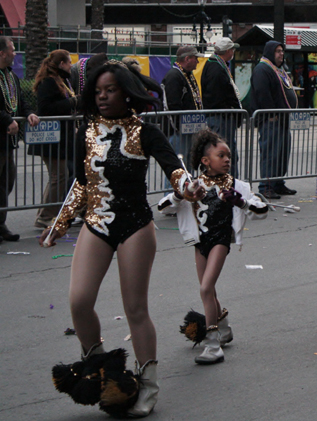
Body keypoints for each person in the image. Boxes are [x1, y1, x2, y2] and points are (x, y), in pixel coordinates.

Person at [42, 60, 202, 417]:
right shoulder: (88, 131)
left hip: (135, 228)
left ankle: (148, 384)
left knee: (135, 309)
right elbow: (82, 183)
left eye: (110, 90)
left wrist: (188, 187)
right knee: (79, 301)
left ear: (126, 92)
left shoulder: (145, 132)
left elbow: (174, 169)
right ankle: (101, 371)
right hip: (96, 225)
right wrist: (61, 221)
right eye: (97, 91)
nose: (102, 97)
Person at [160, 130, 268, 365]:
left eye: (228, 155)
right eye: (221, 155)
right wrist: (183, 195)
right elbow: (163, 208)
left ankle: (212, 344)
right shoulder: (194, 184)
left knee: (206, 288)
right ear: (205, 161)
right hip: (200, 243)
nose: (227, 159)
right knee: (209, 291)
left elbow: (262, 210)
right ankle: (225, 328)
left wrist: (240, 201)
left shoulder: (238, 185)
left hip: (220, 240)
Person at [30, 50, 79, 229]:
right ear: (60, 64)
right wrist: (73, 103)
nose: (71, 66)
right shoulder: (49, 82)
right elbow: (45, 108)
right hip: (51, 138)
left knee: (60, 176)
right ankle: (45, 216)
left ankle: (49, 213)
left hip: (62, 137)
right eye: (68, 62)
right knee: (58, 176)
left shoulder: (64, 81)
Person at [0, 36, 39, 242]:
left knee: (6, 183)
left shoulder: (11, 77)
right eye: (13, 49)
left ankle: (1, 224)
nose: (15, 53)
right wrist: (7, 120)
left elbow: (21, 102)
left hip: (9, 143)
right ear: (2, 53)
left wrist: (30, 113)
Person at [250, 41, 298, 199]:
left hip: (282, 119)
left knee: (282, 153)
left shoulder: (279, 69)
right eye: (277, 51)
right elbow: (262, 93)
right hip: (271, 120)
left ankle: (278, 182)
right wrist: (271, 114)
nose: (281, 54)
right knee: (271, 153)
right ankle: (266, 186)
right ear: (270, 52)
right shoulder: (262, 69)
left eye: (282, 51)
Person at [161, 45, 203, 189]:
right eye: (195, 58)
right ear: (187, 58)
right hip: (178, 131)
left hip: (189, 129)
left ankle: (187, 193)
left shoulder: (188, 75)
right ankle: (171, 197)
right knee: (178, 166)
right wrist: (178, 128)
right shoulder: (174, 76)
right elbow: (172, 106)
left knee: (188, 166)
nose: (197, 61)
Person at [201, 37, 242, 177]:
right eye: (233, 49)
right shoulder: (216, 68)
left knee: (226, 151)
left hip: (221, 117)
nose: (234, 52)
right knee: (224, 152)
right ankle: (227, 183)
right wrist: (231, 107)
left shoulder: (216, 64)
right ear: (228, 51)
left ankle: (229, 182)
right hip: (221, 117)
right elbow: (217, 95)